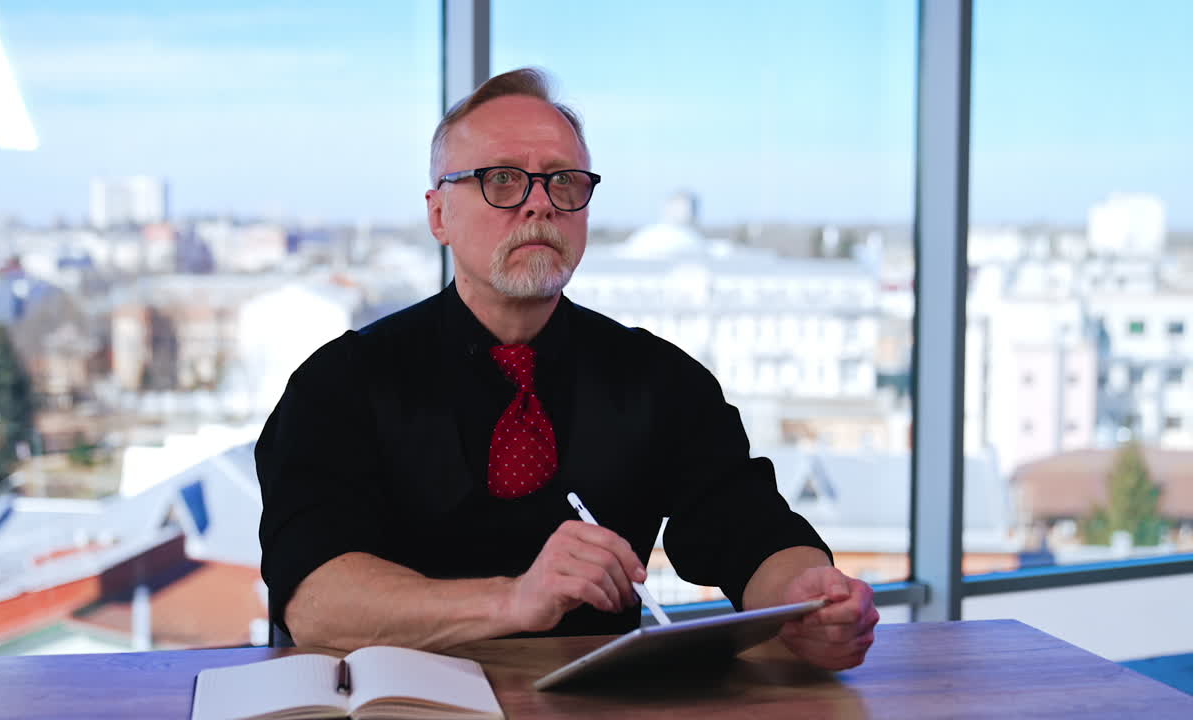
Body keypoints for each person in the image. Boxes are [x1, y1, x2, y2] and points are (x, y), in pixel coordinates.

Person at [255, 67, 878, 670]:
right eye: (502, 180)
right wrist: (515, 599)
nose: (539, 206)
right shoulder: (340, 384)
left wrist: (810, 600)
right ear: (438, 214)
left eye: (564, 182)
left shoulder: (659, 380)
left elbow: (751, 532)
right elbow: (315, 601)